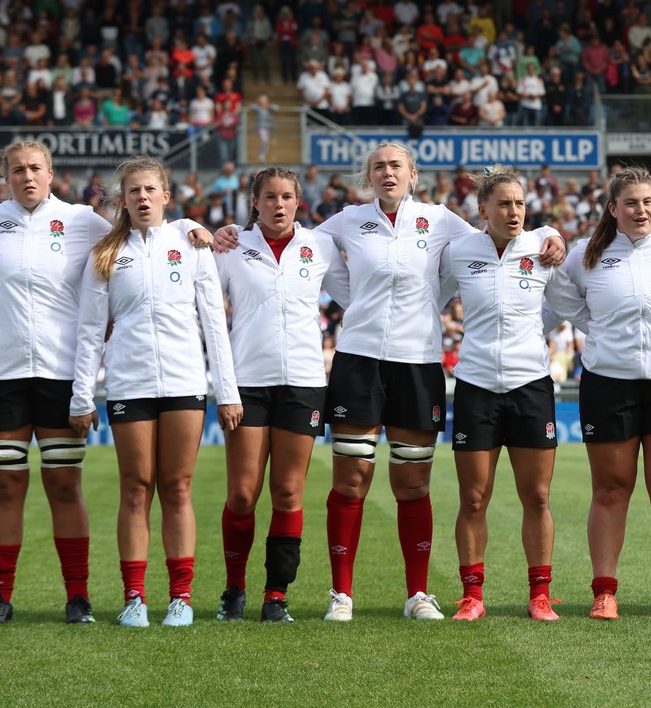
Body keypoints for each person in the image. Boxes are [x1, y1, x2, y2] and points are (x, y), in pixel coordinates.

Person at [214, 143, 563, 622]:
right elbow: (299, 244)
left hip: (417, 362)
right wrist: (224, 233)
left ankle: (417, 594)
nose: (387, 172)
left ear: (413, 174)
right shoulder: (346, 221)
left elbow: (495, 237)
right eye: (378, 166)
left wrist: (551, 233)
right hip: (358, 362)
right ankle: (342, 595)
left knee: (413, 482)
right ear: (368, 177)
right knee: (352, 479)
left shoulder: (441, 221)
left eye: (395, 165)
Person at [0, 141, 209, 626]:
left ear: (52, 174)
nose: (26, 176)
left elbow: (143, 230)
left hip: (59, 372)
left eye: (35, 168)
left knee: (64, 485)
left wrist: (189, 227)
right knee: (5, 487)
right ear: (4, 176)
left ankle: (78, 598)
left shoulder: (83, 221)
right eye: (17, 170)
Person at [70, 156, 241, 628]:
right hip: (129, 381)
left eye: (150, 189)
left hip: (186, 381)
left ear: (166, 195)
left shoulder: (191, 243)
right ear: (122, 200)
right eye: (133, 191)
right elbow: (89, 331)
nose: (142, 197)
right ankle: (134, 598)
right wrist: (81, 397)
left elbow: (215, 324)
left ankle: (181, 598)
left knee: (178, 487)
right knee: (135, 488)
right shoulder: (106, 252)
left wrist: (227, 391)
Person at [560, 167, 651, 620]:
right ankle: (604, 591)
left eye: (647, 202)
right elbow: (562, 300)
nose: (640, 210)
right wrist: (599, 332)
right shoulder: (586, 253)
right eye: (630, 203)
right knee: (609, 489)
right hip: (608, 382)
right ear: (612, 208)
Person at [438, 167, 579, 621]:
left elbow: (566, 302)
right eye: (504, 203)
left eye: (520, 203)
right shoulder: (459, 251)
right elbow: (429, 296)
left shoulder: (542, 247)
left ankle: (540, 594)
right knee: (474, 498)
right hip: (476, 385)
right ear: (483, 210)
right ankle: (472, 595)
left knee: (536, 496)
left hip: (531, 385)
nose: (514, 211)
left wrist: (527, 332)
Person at [212, 168, 350, 623]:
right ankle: (234, 589)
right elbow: (204, 308)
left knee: (289, 492)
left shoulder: (320, 245)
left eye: (287, 196)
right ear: (255, 202)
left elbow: (361, 290)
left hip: (305, 384)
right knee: (242, 496)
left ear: (298, 201)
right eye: (269, 196)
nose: (278, 204)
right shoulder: (231, 248)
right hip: (246, 385)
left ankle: (276, 594)